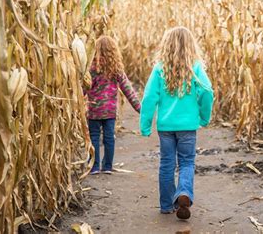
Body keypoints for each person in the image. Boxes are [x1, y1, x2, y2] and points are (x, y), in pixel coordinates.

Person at [140, 26, 214, 220]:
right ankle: (184, 193)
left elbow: (148, 98)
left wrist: (145, 125)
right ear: (191, 45)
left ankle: (166, 205)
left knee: (166, 163)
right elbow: (207, 91)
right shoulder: (195, 67)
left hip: (166, 127)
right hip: (188, 126)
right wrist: (204, 117)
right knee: (187, 162)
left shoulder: (159, 69)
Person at [84, 35, 141, 175]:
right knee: (109, 137)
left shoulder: (91, 68)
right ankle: (107, 166)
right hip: (109, 111)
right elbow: (128, 89)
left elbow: (83, 88)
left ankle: (94, 166)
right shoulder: (116, 68)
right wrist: (140, 109)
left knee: (94, 137)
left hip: (94, 110)